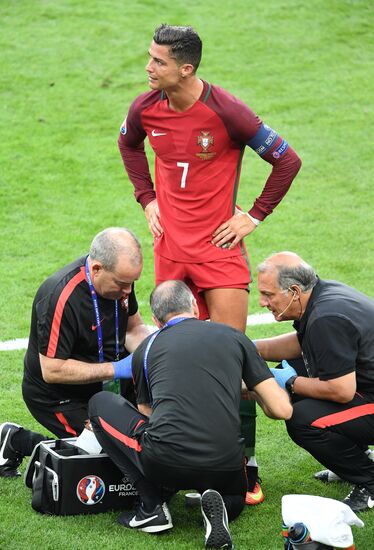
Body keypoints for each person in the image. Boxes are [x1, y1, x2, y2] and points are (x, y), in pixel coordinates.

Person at [118, 22, 302, 504]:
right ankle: (171, 460)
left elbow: (287, 160)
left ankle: (244, 468)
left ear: (186, 68)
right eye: (149, 57)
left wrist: (253, 216)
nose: (148, 67)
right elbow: (128, 144)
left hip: (219, 255)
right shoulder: (144, 107)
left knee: (234, 364)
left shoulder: (228, 112)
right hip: (170, 253)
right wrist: (146, 198)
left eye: (158, 61)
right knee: (169, 361)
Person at [88, 280, 292, 547]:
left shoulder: (146, 349)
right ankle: (218, 503)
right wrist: (246, 389)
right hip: (227, 463)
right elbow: (282, 409)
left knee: (99, 403)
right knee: (232, 495)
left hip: (166, 463)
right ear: (195, 307)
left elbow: (148, 417)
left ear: (155, 320)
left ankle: (152, 507)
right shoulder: (235, 338)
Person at [0, 227, 150, 478]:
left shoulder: (121, 282)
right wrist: (116, 368)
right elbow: (52, 370)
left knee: (144, 439)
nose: (128, 291)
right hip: (59, 395)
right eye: (123, 284)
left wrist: (150, 353)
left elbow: (134, 330)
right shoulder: (59, 296)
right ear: (97, 269)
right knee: (108, 456)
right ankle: (16, 440)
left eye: (132, 283)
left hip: (106, 385)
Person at [254, 251, 374, 512]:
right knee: (295, 378)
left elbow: (341, 391)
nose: (262, 302)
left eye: (269, 294)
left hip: (363, 393)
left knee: (302, 419)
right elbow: (303, 344)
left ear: (294, 290)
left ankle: (370, 481)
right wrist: (252, 349)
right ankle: (357, 456)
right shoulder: (321, 295)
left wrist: (290, 382)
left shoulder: (326, 318)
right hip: (366, 385)